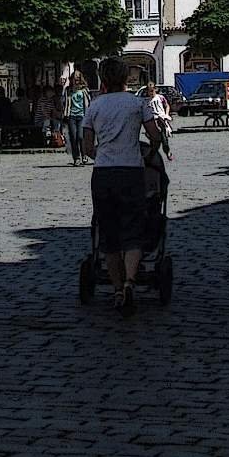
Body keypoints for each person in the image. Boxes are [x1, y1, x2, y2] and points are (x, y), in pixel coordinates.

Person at [83, 56, 166, 316]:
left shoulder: (94, 107)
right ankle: (131, 281)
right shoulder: (137, 104)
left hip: (104, 173)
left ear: (102, 78)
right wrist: (149, 154)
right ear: (125, 77)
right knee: (132, 227)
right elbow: (155, 135)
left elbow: (86, 146)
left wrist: (103, 155)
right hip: (132, 171)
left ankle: (117, 289)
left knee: (108, 233)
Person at [63, 74, 90, 165]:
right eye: (74, 79)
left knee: (81, 136)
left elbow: (88, 102)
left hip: (82, 115)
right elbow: (65, 102)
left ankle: (84, 155)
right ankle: (76, 157)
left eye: (77, 79)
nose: (76, 81)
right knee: (73, 137)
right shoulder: (68, 90)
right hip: (71, 116)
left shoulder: (84, 90)